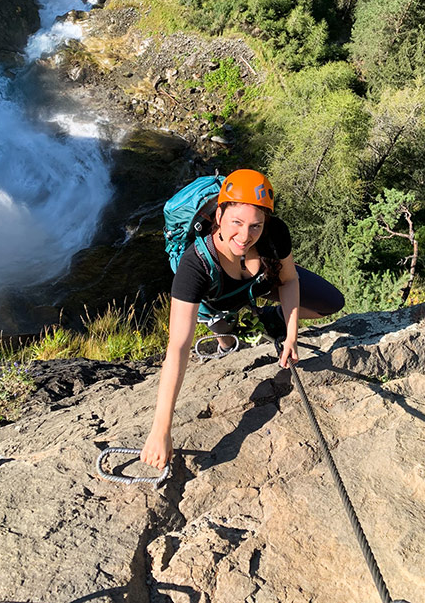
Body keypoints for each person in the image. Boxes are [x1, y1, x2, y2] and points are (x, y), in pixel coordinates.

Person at [141, 169, 344, 471]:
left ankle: (270, 318)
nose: (245, 236)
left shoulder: (274, 234)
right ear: (219, 215)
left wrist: (290, 334)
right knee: (226, 336)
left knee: (330, 303)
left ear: (265, 223)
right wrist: (161, 428)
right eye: (236, 223)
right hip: (218, 302)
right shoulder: (195, 265)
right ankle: (226, 340)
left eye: (255, 226)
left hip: (260, 283)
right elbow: (178, 347)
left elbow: (288, 281)